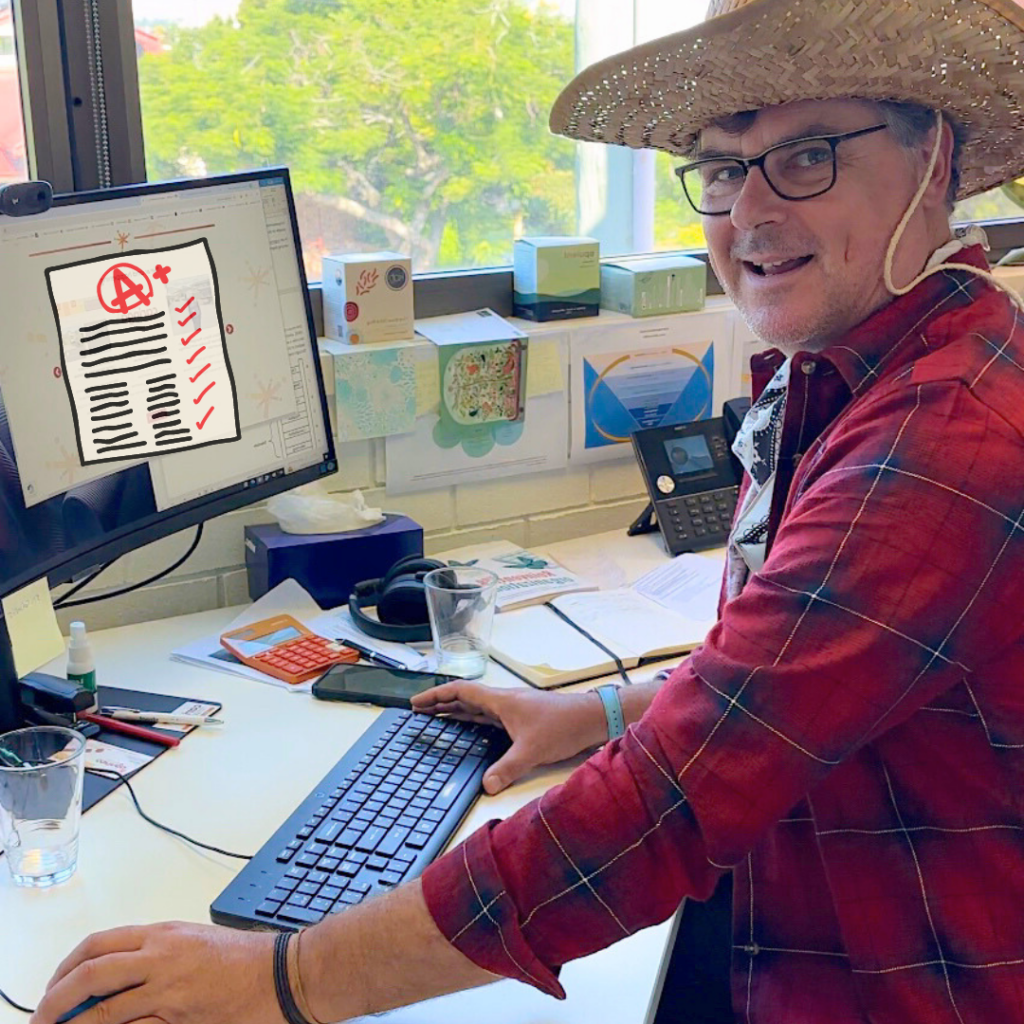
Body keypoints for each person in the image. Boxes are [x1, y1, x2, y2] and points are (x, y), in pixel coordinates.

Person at [30, 0, 1024, 1022]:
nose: (751, 215)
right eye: (723, 169)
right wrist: (586, 715)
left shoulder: (941, 443)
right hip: (796, 906)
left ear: (933, 162)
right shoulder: (851, 370)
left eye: (806, 156)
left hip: (894, 974)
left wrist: (285, 978)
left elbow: (666, 804)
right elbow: (771, 687)